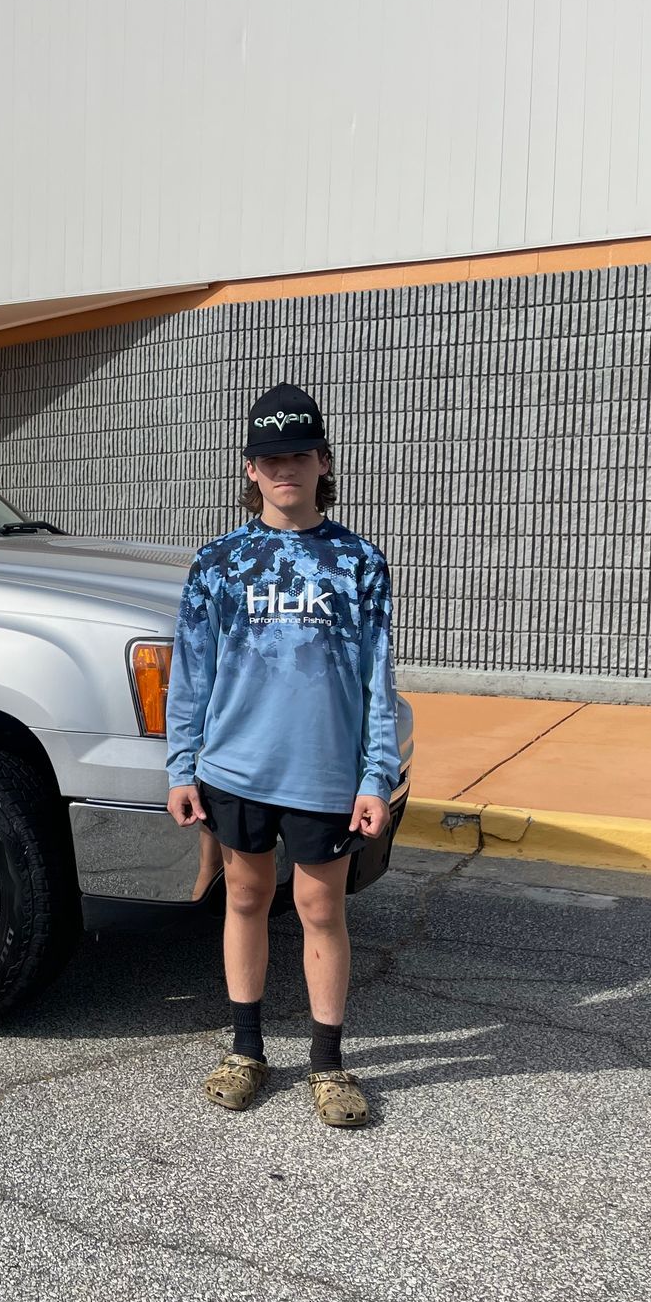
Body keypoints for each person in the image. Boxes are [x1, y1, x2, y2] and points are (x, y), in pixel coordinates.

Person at [165, 383, 400, 1127]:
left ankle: (328, 1065)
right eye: (269, 458)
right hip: (236, 768)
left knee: (320, 905)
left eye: (298, 454)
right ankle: (246, 1050)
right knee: (243, 897)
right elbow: (191, 670)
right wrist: (181, 764)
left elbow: (377, 679)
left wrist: (375, 777)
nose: (284, 469)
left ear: (324, 462)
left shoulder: (360, 562)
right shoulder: (220, 563)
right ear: (250, 468)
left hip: (324, 772)